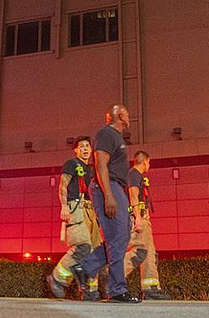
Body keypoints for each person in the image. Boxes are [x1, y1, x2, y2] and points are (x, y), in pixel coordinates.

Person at [72, 104, 140, 303]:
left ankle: (84, 269)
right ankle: (118, 290)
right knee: (118, 236)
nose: (129, 117)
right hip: (107, 186)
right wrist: (108, 195)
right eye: (127, 113)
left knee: (120, 236)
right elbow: (101, 164)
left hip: (116, 187)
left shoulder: (117, 138)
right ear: (119, 116)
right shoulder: (106, 134)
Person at [47, 136, 103, 300]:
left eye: (87, 146)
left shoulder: (92, 169)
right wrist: (64, 206)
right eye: (82, 146)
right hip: (75, 207)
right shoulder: (72, 164)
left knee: (96, 252)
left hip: (90, 210)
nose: (85, 149)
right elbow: (63, 185)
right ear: (76, 150)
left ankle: (89, 290)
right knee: (83, 247)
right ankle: (57, 278)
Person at [124, 150, 171, 300]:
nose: (149, 165)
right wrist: (137, 217)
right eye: (149, 162)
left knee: (149, 253)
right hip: (137, 218)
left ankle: (151, 289)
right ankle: (112, 275)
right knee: (140, 251)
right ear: (145, 161)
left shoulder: (138, 176)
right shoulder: (133, 174)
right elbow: (133, 194)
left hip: (143, 218)